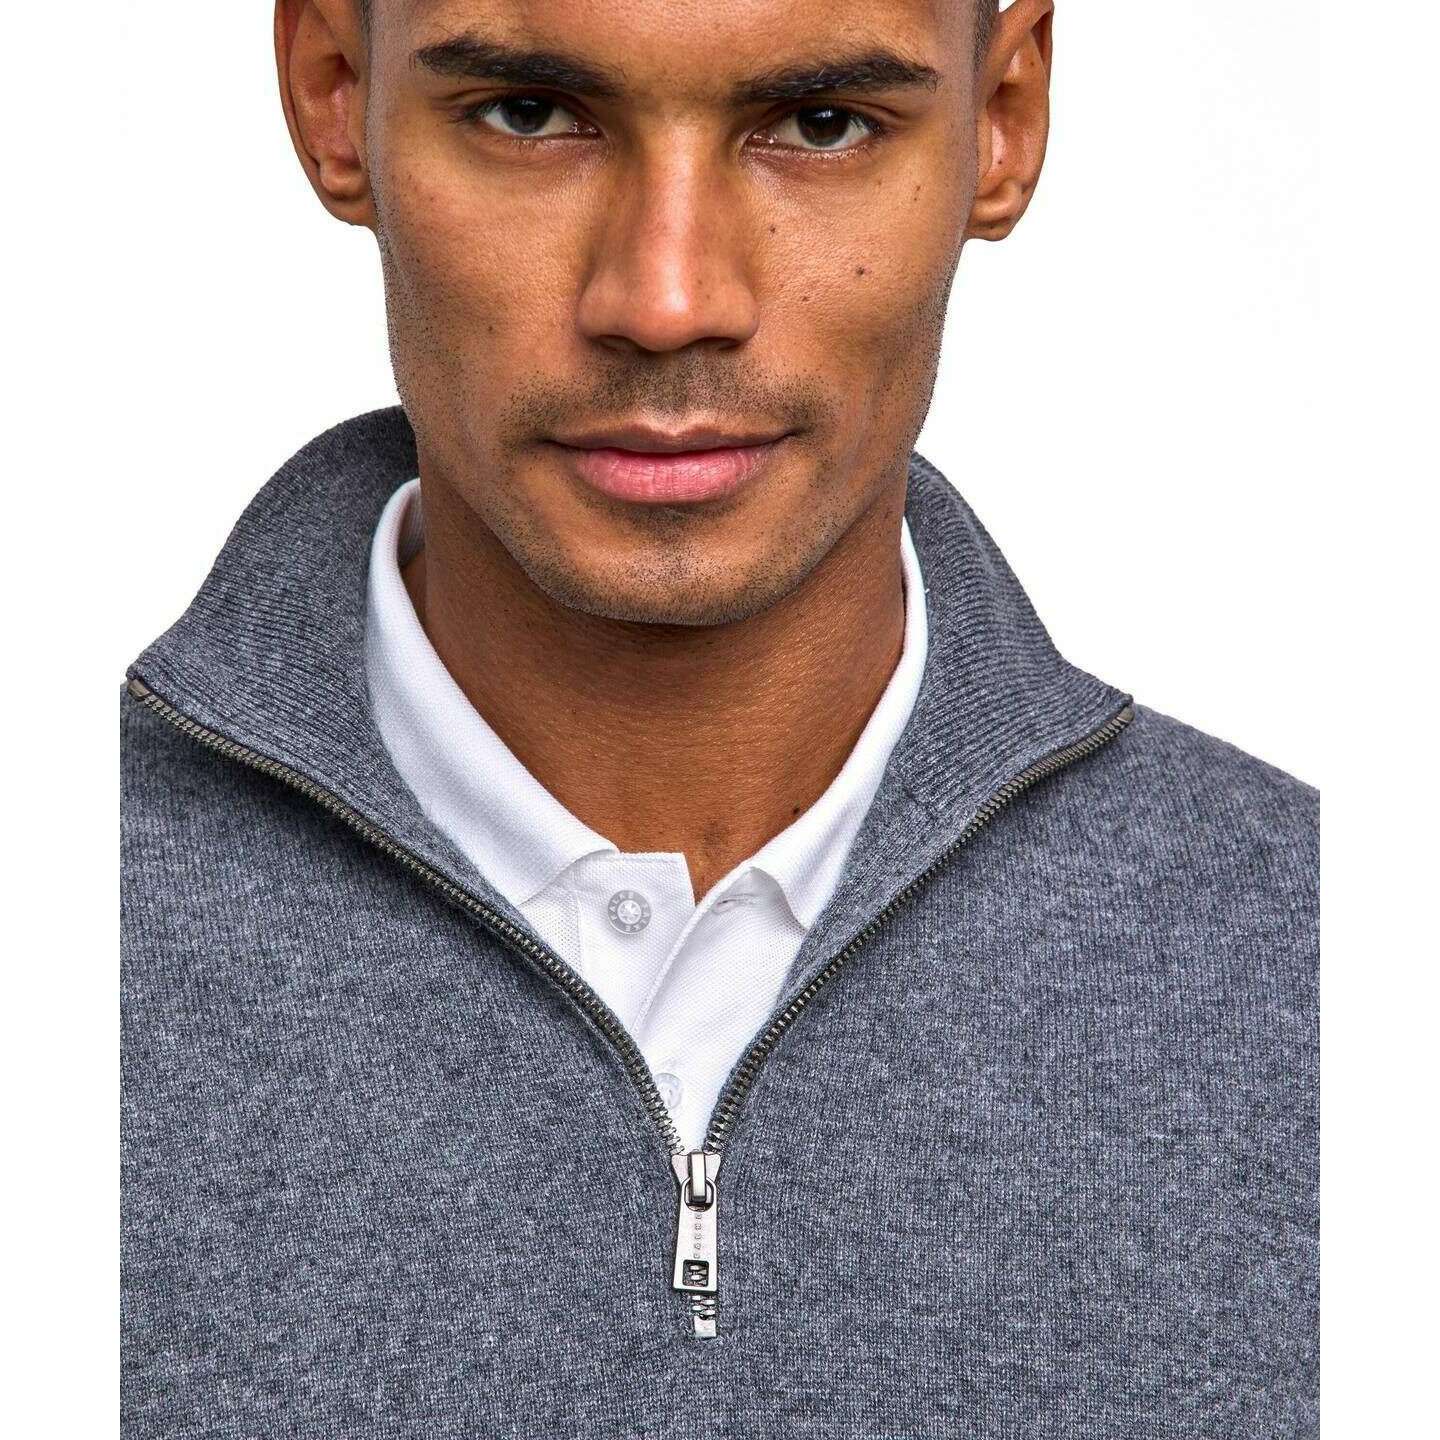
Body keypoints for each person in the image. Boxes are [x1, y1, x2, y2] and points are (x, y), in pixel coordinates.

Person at [120, 0, 1318, 1433]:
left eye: (820, 124)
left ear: (1002, 123)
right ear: (334, 95)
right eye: (528, 115)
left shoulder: (1333, 975)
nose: (668, 298)